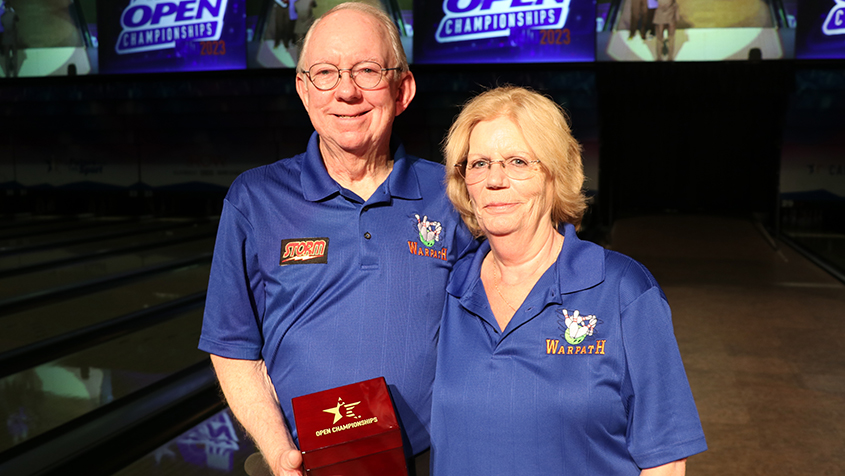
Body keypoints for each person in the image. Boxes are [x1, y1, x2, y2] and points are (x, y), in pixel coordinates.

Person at [199, 3, 476, 476]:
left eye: (367, 70)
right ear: (304, 91)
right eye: (325, 72)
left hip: (432, 462)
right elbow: (232, 346)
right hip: (305, 465)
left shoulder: (452, 196)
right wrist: (278, 452)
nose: (346, 91)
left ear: (402, 89)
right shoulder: (255, 198)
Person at [430, 86, 707, 475]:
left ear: (554, 173)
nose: (494, 179)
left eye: (517, 161)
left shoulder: (623, 289)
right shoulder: (449, 288)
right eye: (478, 164)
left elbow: (665, 459)